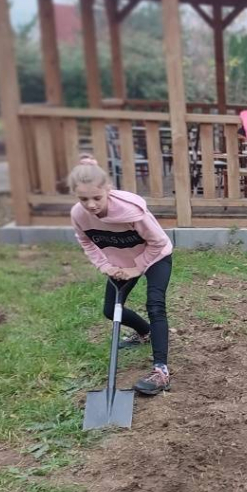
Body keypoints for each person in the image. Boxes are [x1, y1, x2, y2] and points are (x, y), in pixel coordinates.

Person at [69, 154, 174, 395]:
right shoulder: (78, 215)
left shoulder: (130, 211)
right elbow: (86, 242)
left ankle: (161, 371)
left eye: (97, 198)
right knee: (110, 310)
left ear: (108, 189)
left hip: (155, 257)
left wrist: (136, 268)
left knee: (155, 305)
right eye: (84, 199)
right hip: (120, 263)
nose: (91, 205)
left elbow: (158, 243)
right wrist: (105, 266)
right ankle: (146, 332)